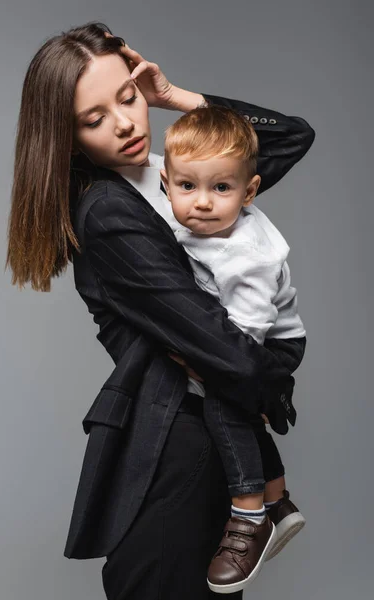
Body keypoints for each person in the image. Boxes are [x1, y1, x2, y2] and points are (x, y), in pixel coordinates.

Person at [6, 21, 315, 600]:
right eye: (93, 119)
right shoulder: (106, 211)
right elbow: (229, 354)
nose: (125, 122)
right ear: (64, 136)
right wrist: (270, 374)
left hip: (207, 429)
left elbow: (291, 137)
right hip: (180, 436)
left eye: (127, 97)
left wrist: (179, 99)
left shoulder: (174, 178)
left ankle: (265, 508)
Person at [139, 104, 305, 593]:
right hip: (238, 335)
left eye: (222, 188)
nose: (203, 203)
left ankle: (248, 517)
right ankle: (278, 499)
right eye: (188, 187)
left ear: (249, 191)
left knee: (225, 406)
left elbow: (243, 348)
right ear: (167, 183)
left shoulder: (248, 255)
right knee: (234, 408)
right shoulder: (183, 212)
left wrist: (202, 363)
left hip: (269, 341)